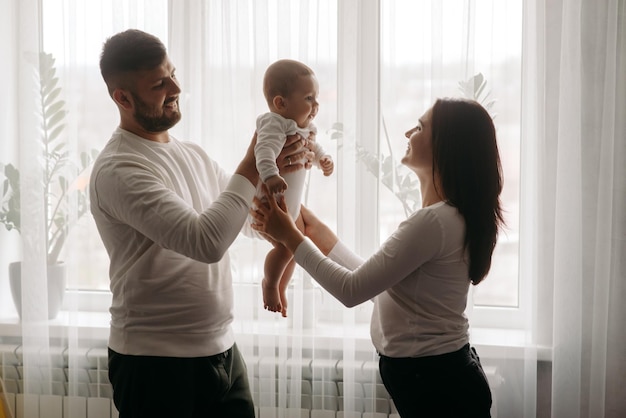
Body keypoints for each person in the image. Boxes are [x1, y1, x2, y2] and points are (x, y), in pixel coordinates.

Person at [90, 29, 312, 418]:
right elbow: (206, 243)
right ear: (122, 98)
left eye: (173, 73)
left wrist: (280, 173)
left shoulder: (192, 154)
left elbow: (248, 223)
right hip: (155, 364)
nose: (176, 87)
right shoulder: (119, 168)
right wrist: (251, 163)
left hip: (222, 351)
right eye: (160, 83)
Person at [252, 98, 502, 417]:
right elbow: (378, 285)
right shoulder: (446, 218)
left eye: (421, 126)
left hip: (436, 383)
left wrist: (289, 235)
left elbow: (352, 290)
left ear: (446, 146)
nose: (409, 132)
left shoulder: (433, 223)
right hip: (440, 377)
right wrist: (309, 227)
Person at [254, 59, 334, 317]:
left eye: (317, 98)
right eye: (309, 98)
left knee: (295, 249)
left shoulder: (305, 127)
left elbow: (313, 146)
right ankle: (269, 284)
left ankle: (282, 287)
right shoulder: (275, 124)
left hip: (294, 205)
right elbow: (263, 152)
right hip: (273, 204)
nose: (316, 105)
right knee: (285, 247)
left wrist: (322, 159)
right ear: (281, 103)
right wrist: (271, 175)